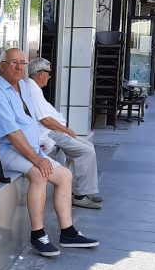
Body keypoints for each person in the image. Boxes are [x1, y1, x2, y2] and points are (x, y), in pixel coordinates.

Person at [0, 48, 99, 257]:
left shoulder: (23, 85)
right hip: (7, 151)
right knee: (39, 174)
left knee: (65, 175)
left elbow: (32, 121)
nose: (19, 67)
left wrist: (40, 149)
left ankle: (68, 233)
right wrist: (37, 159)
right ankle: (38, 235)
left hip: (30, 149)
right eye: (13, 63)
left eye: (22, 63)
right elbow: (12, 134)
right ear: (2, 66)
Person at [25, 58, 102, 210]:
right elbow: (45, 120)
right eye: (48, 73)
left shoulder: (34, 88)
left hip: (54, 131)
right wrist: (66, 130)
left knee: (88, 146)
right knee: (85, 152)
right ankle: (80, 196)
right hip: (50, 133)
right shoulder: (31, 89)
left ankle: (85, 189)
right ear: (40, 74)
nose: (50, 76)